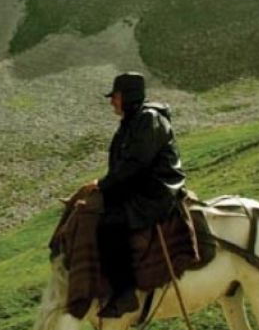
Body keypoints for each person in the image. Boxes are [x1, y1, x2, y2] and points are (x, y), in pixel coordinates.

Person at [78, 72, 187, 317]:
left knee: (110, 224)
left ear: (127, 96)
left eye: (115, 96)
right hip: (141, 186)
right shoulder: (133, 121)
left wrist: (102, 184)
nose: (112, 102)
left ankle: (125, 293)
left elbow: (135, 163)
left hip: (156, 190)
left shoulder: (149, 120)